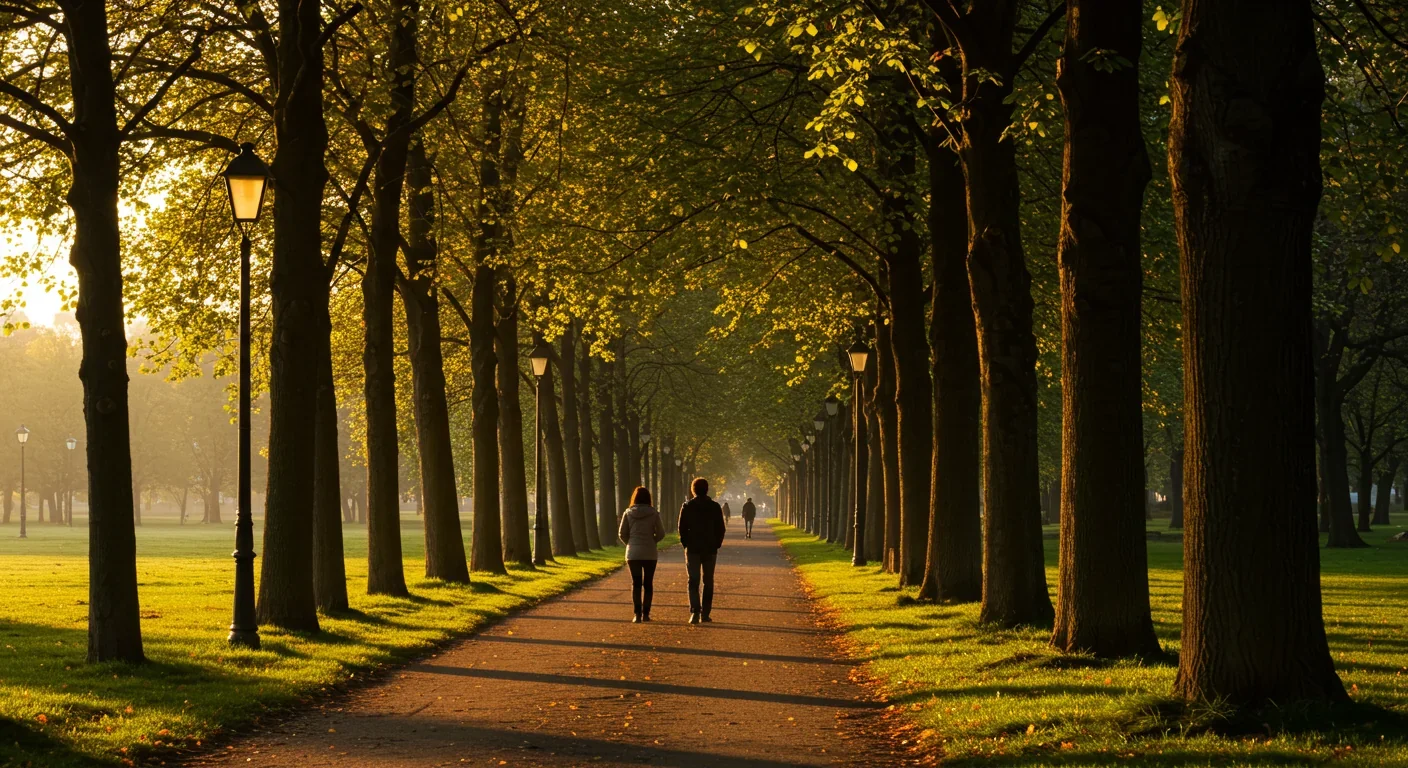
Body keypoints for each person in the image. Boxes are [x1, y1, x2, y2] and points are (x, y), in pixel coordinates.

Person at [677, 477, 726, 625]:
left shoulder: (687, 506)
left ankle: (695, 612)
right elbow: (721, 528)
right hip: (710, 548)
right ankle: (705, 613)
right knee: (708, 581)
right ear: (707, 489)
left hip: (692, 548)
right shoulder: (715, 507)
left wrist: (686, 544)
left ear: (693, 490)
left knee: (693, 580)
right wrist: (716, 544)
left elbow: (681, 528)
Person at [618, 486, 666, 623]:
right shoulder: (654, 513)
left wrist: (630, 543)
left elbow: (622, 533)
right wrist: (652, 541)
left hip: (633, 552)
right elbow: (661, 533)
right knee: (648, 583)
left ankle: (636, 614)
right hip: (649, 552)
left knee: (636, 583)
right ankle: (646, 613)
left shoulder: (628, 513)